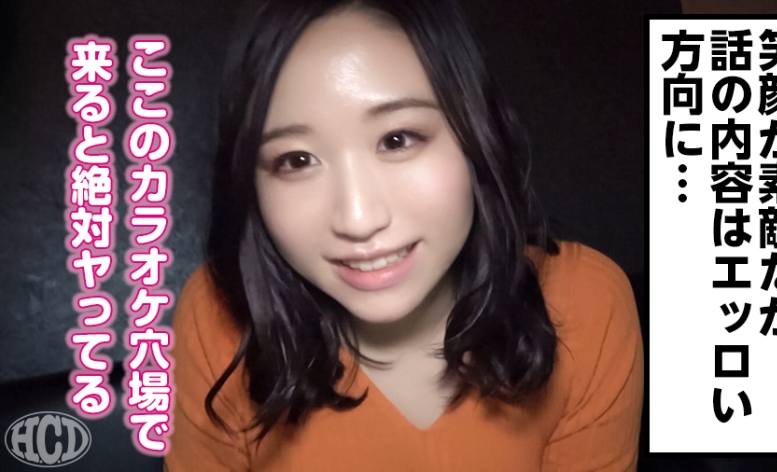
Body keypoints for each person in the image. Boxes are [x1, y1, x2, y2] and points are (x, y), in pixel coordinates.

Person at [164, 0, 643, 470]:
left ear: (478, 136)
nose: (358, 219)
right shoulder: (218, 318)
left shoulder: (584, 305)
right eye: (297, 160)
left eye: (398, 140)